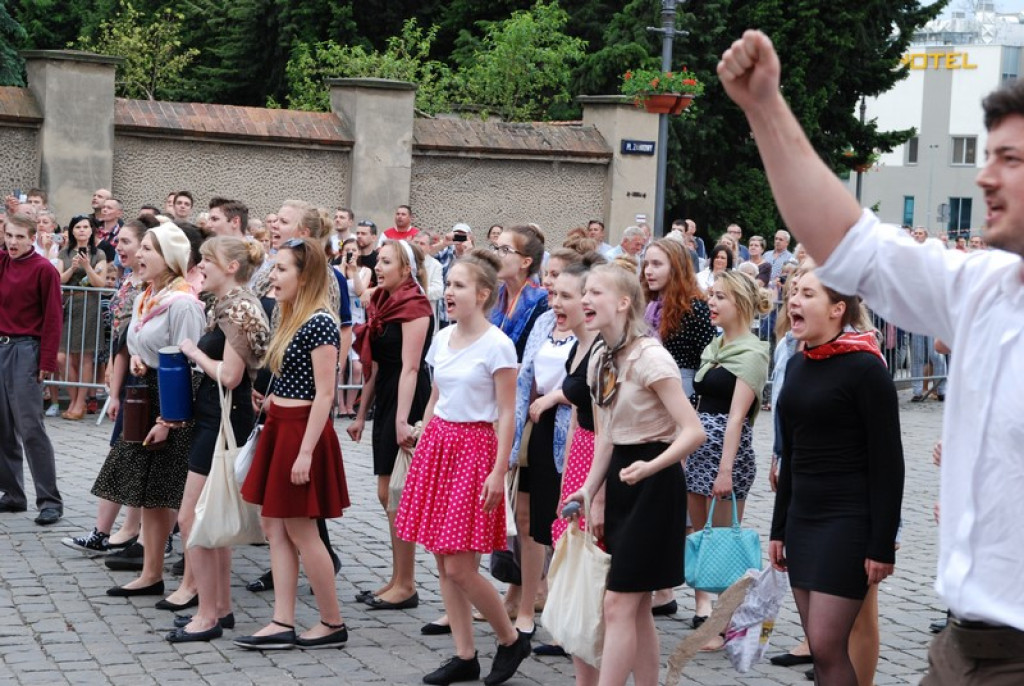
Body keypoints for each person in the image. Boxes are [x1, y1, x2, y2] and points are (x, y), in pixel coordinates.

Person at [718, 29, 1024, 683]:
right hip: (961, 646)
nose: (984, 174)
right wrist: (765, 107)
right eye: (988, 154)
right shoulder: (982, 288)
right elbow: (852, 241)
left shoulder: (870, 364)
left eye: (1011, 159)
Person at [564, 262, 705, 686]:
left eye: (597, 293)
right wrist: (589, 490)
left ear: (624, 302)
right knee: (637, 606)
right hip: (625, 480)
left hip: (655, 485)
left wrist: (653, 465)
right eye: (584, 292)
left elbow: (693, 431)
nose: (586, 299)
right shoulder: (601, 358)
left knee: (618, 604)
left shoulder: (650, 356)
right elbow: (606, 432)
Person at [395, 249, 531, 686]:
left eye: (458, 286)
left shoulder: (499, 344)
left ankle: (510, 640)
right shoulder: (442, 337)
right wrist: (424, 431)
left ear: (483, 293)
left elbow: (508, 413)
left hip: (475, 450)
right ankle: (464, 654)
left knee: (461, 567)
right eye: (448, 284)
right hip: (438, 447)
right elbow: (436, 395)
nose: (448, 292)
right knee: (441, 558)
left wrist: (498, 469)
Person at [770, 268, 904, 685]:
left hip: (847, 520)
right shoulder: (796, 365)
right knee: (819, 643)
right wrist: (778, 528)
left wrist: (881, 545)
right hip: (803, 521)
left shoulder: (866, 369)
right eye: (793, 292)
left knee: (828, 646)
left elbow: (889, 463)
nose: (794, 300)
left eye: (807, 293)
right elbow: (791, 454)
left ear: (837, 309)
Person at [236, 237, 350, 650]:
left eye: (282, 269)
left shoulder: (319, 320)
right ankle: (282, 620)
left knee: (302, 532)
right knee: (278, 529)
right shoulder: (291, 315)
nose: (273, 275)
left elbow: (325, 393)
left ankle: (332, 623)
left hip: (302, 431)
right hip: (281, 424)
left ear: (305, 276)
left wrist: (305, 451)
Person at [163, 236, 270, 643]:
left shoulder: (240, 306)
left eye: (207, 259)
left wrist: (193, 352)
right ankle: (219, 609)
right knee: (211, 519)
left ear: (230, 267)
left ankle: (207, 615)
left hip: (225, 420)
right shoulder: (225, 304)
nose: (199, 265)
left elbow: (230, 376)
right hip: (217, 418)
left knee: (193, 519)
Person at [91, 223, 205, 596]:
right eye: (140, 248)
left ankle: (191, 585)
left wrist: (169, 419)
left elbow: (190, 366)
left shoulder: (184, 302)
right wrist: (140, 361)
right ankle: (151, 573)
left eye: (148, 250)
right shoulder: (148, 296)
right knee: (149, 494)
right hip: (146, 395)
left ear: (170, 257)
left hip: (172, 404)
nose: (139, 255)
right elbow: (149, 348)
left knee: (173, 497)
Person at [61, 217, 155, 555]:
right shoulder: (131, 280)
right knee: (127, 455)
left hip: (140, 379)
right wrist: (113, 380)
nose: (119, 246)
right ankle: (119, 531)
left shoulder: (151, 286)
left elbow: (134, 341)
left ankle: (122, 533)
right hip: (124, 372)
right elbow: (120, 337)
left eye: (129, 242)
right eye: (121, 241)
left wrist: (118, 383)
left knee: (128, 456)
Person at [348, 239, 433, 611]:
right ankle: (399, 578)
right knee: (386, 494)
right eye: (377, 261)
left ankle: (407, 583)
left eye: (386, 262)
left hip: (409, 399)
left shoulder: (416, 306)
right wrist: (361, 414)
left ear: (405, 269)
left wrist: (403, 420)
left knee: (399, 494)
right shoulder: (382, 301)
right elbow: (376, 365)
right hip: (386, 396)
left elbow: (411, 367)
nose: (378, 267)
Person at [686, 271, 771, 638]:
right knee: (703, 538)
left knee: (725, 541)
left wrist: (725, 471)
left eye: (720, 296)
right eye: (712, 295)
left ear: (739, 304)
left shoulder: (752, 353)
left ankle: (727, 625)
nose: (711, 302)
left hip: (726, 455)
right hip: (698, 451)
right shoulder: (714, 348)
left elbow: (737, 419)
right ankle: (706, 612)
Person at [506, 248, 581, 636]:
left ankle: (562, 608)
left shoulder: (591, 328)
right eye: (549, 281)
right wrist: (513, 437)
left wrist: (555, 396)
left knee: (560, 520)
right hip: (536, 426)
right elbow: (524, 377)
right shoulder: (544, 321)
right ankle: (527, 604)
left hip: (569, 428)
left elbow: (590, 385)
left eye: (560, 284)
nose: (551, 291)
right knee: (527, 520)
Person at [0, 213, 64, 525]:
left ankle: (49, 500)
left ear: (32, 238)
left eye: (20, 237)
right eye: (9, 235)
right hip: (1, 346)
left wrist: (47, 362)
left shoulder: (44, 270)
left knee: (30, 428)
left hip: (26, 349)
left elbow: (53, 319)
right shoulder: (3, 263)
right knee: (2, 427)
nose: (13, 242)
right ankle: (12, 494)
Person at [642, 238, 715, 399]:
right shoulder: (648, 305)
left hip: (682, 390)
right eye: (646, 264)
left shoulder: (695, 307)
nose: (648, 270)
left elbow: (708, 359)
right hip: (648, 386)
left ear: (676, 268)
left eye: (656, 264)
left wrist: (696, 399)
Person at [58, 215, 108, 420]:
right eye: (77, 227)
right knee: (62, 357)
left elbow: (100, 283)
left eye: (85, 226)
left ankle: (79, 404)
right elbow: (58, 279)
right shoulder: (65, 252)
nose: (81, 230)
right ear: (72, 230)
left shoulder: (100, 254)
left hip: (89, 306)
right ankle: (74, 399)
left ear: (91, 230)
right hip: (69, 304)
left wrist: (87, 266)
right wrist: (73, 267)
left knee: (86, 356)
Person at [489, 225, 548, 360]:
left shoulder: (541, 303)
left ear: (525, 262)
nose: (495, 255)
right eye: (495, 248)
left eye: (504, 250)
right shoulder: (494, 297)